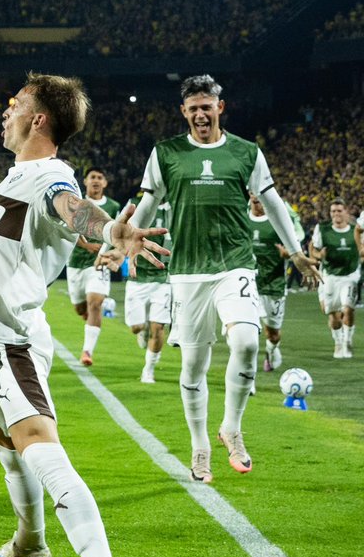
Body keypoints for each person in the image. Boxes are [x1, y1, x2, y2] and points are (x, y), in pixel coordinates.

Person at [0, 72, 168, 557]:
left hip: (12, 339)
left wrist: (107, 231)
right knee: (6, 439)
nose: (6, 111)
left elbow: (71, 208)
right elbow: (62, 228)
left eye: (16, 103)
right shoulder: (21, 176)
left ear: (39, 119)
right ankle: (29, 542)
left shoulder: (49, 175)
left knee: (39, 447)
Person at [128, 75, 320, 484]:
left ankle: (231, 427)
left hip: (235, 265)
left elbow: (274, 204)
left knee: (247, 341)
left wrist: (298, 250)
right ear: (184, 112)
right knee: (194, 365)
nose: (201, 113)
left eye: (207, 106)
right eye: (193, 107)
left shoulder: (246, 153)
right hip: (188, 273)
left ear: (220, 107)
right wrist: (125, 239)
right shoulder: (166, 154)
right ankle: (199, 446)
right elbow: (147, 203)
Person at [64, 167, 121, 366]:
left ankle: (87, 352)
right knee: (81, 309)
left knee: (94, 303)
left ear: (105, 183)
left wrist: (113, 254)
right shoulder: (76, 203)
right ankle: (100, 310)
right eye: (92, 177)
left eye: (100, 177)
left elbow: (118, 232)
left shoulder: (114, 207)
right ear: (85, 182)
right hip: (75, 263)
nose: (96, 180)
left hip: (100, 263)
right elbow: (68, 229)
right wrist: (86, 245)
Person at [122, 193, 172, 384]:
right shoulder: (136, 205)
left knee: (158, 327)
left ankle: (148, 370)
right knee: (136, 327)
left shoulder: (177, 206)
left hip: (163, 277)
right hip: (138, 277)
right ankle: (142, 330)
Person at [247, 193, 300, 373]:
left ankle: (272, 350)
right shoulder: (242, 218)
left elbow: (293, 249)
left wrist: (288, 253)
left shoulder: (277, 220)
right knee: (249, 331)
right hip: (249, 285)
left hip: (274, 285)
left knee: (273, 333)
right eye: (252, 193)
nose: (256, 198)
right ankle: (248, 375)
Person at [309, 199, 359, 359]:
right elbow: (313, 250)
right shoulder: (323, 229)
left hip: (350, 276)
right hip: (330, 276)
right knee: (332, 314)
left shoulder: (356, 230)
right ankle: (338, 343)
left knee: (348, 308)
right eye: (333, 212)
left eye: (339, 211)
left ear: (346, 212)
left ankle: (347, 342)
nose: (336, 214)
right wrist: (319, 255)